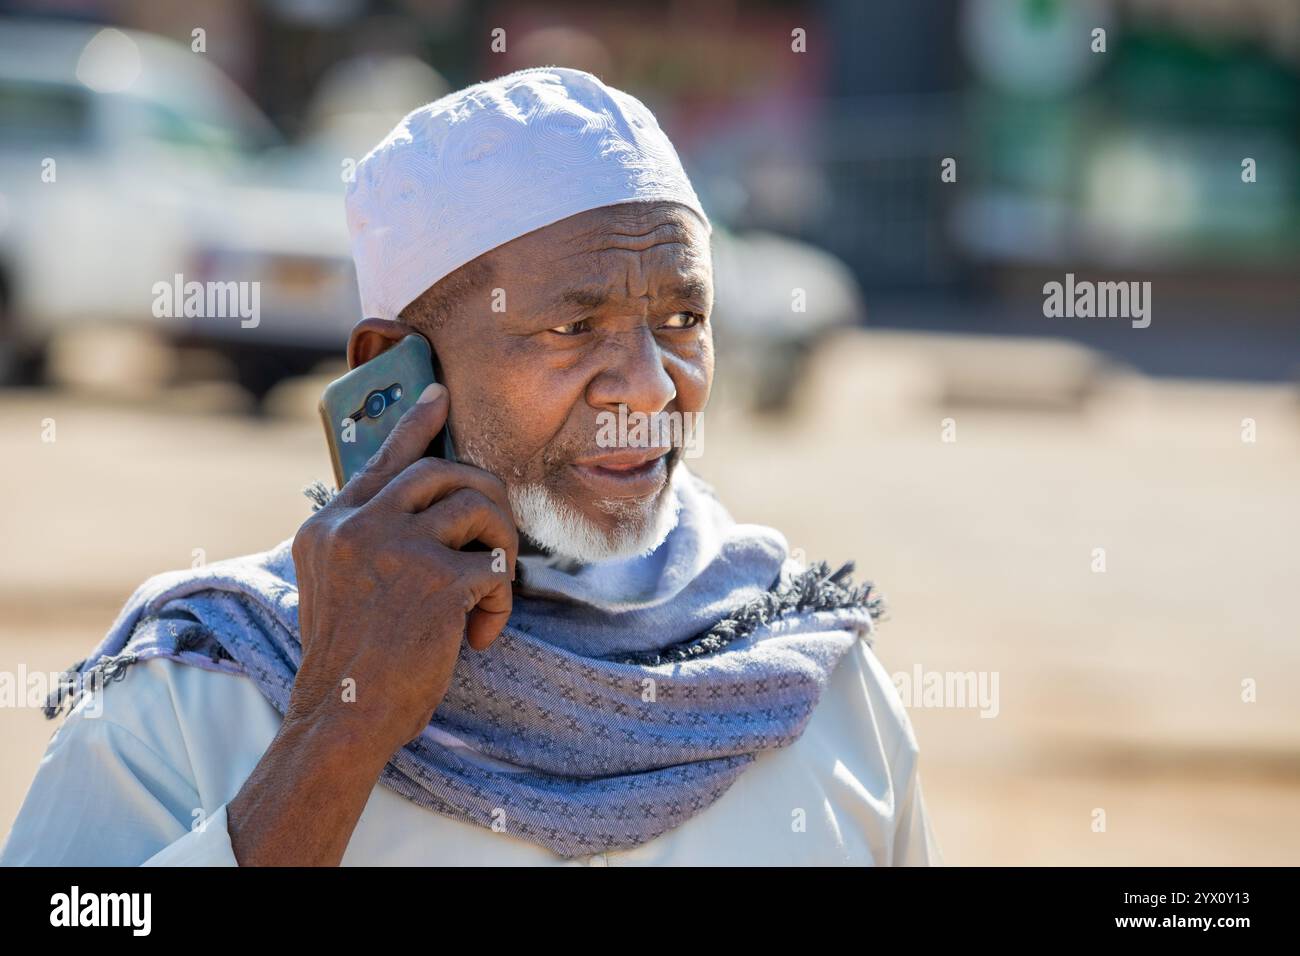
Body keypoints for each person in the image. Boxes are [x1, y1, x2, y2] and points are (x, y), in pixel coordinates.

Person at [1, 67, 940, 866]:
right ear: (390, 368)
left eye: (682, 321)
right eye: (573, 329)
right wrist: (338, 726)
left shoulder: (808, 681)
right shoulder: (206, 687)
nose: (654, 388)